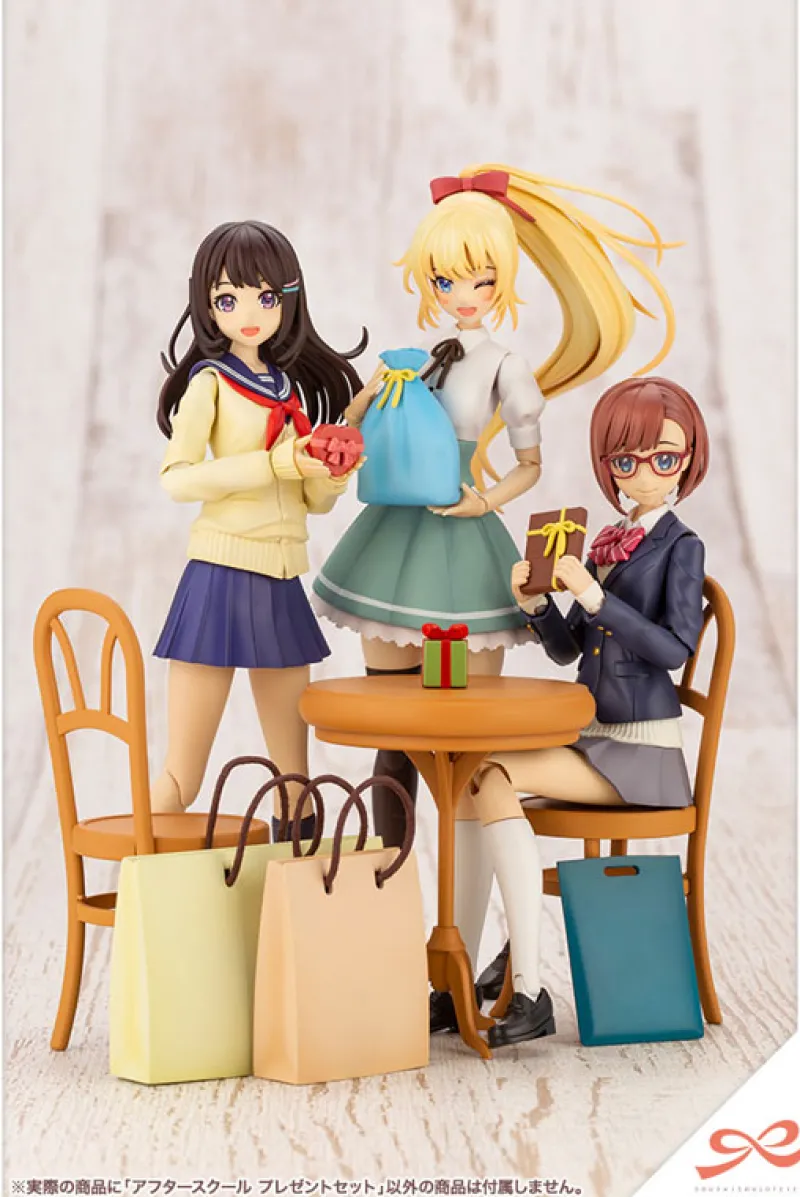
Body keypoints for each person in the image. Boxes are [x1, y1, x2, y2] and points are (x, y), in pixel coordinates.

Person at [312, 167, 678, 989]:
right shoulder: (415, 359)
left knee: (468, 750)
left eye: (479, 279)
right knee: (393, 741)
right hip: (390, 542)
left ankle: (462, 951)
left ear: (502, 280)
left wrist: (485, 499)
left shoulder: (507, 366)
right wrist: (360, 409)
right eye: (446, 280)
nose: (463, 294)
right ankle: (392, 926)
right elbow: (359, 425)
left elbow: (529, 463)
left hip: (463, 545)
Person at [463, 377, 709, 1047]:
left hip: (643, 753)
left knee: (491, 773)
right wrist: (537, 603)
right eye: (626, 460)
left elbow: (675, 649)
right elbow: (570, 649)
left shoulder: (681, 546)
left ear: (688, 458)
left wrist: (598, 599)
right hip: (594, 736)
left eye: (663, 457)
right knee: (478, 772)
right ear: (608, 465)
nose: (645, 474)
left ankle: (527, 982)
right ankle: (503, 961)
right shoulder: (608, 542)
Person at [151, 220, 367, 834]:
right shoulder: (211, 384)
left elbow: (312, 502)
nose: (248, 314)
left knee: (295, 783)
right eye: (228, 299)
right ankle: (135, 880)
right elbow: (176, 479)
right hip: (219, 576)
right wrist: (275, 462)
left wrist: (332, 468)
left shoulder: (287, 389)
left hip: (279, 578)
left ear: (288, 300)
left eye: (265, 297)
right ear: (206, 304)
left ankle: (296, 891)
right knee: (182, 776)